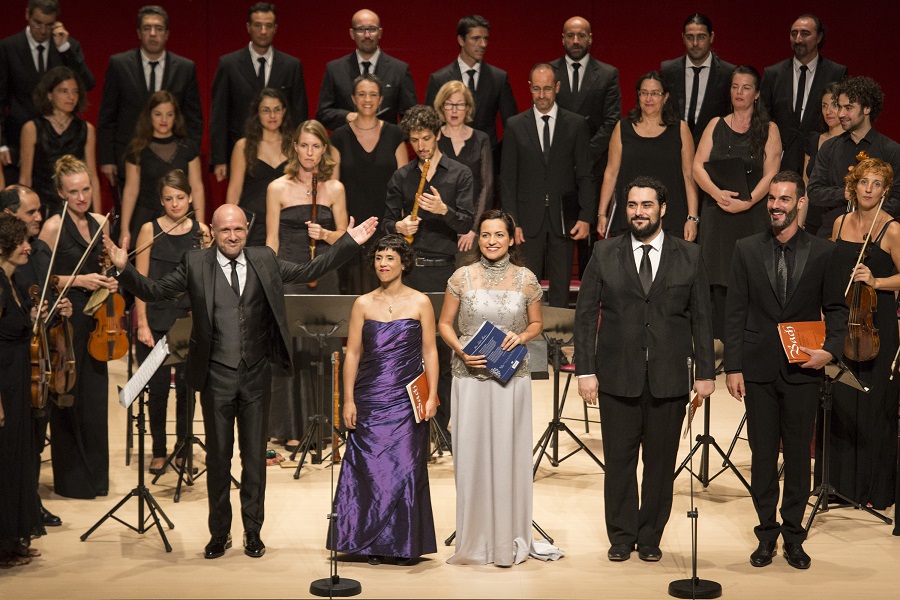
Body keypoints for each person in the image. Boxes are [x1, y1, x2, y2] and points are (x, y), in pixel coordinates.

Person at [106, 203, 378, 560]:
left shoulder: (264, 258)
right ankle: (219, 534)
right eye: (224, 231)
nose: (232, 236)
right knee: (219, 461)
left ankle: (252, 531)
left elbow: (311, 268)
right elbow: (156, 291)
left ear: (245, 230)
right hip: (216, 375)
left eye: (238, 230)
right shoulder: (195, 263)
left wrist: (348, 243)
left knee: (253, 461)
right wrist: (124, 269)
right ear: (213, 232)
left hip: (255, 375)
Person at [575, 176, 715, 563]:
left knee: (659, 466)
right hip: (617, 377)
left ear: (663, 208)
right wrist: (584, 369)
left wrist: (706, 373)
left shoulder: (689, 254)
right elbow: (586, 316)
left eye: (647, 205)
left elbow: (702, 318)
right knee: (619, 464)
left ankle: (650, 536)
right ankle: (621, 536)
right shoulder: (604, 253)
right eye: (633, 205)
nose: (639, 212)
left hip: (669, 379)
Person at [725, 170, 847, 570]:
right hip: (758, 370)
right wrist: (734, 366)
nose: (776, 206)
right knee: (762, 457)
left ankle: (794, 536)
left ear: (800, 203)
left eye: (784, 199)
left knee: (797, 457)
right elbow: (735, 311)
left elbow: (836, 310)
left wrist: (829, 351)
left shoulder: (824, 252)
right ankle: (766, 535)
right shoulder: (745, 248)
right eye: (771, 199)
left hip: (803, 370)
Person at [439, 209, 560, 566]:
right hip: (469, 376)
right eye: (486, 235)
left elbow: (537, 322)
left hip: (511, 378)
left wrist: (521, 336)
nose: (492, 241)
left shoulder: (526, 279)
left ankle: (509, 537)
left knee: (510, 453)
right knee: (471, 453)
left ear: (511, 239)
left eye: (499, 235)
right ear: (479, 240)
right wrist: (461, 351)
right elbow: (445, 323)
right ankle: (475, 538)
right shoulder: (461, 277)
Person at [328, 234, 438, 565]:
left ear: (404, 263)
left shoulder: (421, 302)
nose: (383, 264)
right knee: (366, 468)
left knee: (405, 467)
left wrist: (432, 395)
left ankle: (401, 544)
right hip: (370, 396)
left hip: (406, 400)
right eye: (378, 258)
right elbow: (353, 354)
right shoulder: (362, 303)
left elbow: (430, 351)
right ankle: (362, 543)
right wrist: (347, 400)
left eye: (390, 258)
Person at [383, 104, 474, 437]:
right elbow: (385, 224)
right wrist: (398, 223)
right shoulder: (402, 176)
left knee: (444, 351)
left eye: (426, 138)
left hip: (443, 273)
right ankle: (409, 422)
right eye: (415, 140)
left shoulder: (459, 173)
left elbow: (466, 221)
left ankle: (441, 424)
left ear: (438, 135)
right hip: (410, 274)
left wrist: (443, 210)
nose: (421, 145)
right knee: (408, 351)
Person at [38, 155, 117, 500]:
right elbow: (41, 278)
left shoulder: (101, 221)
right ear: (61, 193)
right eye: (74, 192)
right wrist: (79, 279)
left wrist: (110, 280)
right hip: (67, 320)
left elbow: (106, 267)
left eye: (86, 189)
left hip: (97, 320)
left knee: (96, 399)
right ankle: (72, 481)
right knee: (68, 396)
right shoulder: (54, 226)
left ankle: (97, 479)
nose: (82, 197)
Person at [265, 119, 347, 450]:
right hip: (289, 273)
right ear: (294, 147)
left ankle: (328, 427)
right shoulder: (277, 188)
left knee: (326, 347)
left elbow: (345, 237)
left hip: (324, 273)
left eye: (316, 146)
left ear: (324, 150)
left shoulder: (335, 189)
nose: (309, 152)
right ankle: (291, 428)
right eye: (304, 145)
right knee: (291, 349)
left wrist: (325, 235)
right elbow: (272, 239)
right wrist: (267, 280)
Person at [823, 157, 898, 510]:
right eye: (864, 182)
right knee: (841, 402)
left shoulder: (892, 229)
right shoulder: (839, 223)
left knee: (872, 405)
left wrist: (877, 281)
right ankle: (839, 487)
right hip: (842, 321)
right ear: (854, 185)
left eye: (876, 185)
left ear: (885, 190)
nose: (869, 190)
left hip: (875, 325)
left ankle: (871, 491)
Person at [0, 214, 70, 567]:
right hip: (4, 387)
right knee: (5, 463)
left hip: (17, 383)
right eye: (21, 243)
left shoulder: (12, 282)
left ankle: (12, 541)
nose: (29, 247)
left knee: (17, 461)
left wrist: (35, 317)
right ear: (2, 249)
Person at [693, 65, 781, 340]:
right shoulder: (715, 124)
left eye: (745, 87)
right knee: (716, 282)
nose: (739, 92)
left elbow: (772, 174)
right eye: (735, 87)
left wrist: (748, 201)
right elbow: (697, 167)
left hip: (751, 214)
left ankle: (746, 344)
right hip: (717, 213)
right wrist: (717, 193)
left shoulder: (769, 128)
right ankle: (718, 346)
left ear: (756, 94)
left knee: (748, 280)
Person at [133, 169, 208, 475]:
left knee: (188, 390)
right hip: (154, 320)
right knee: (159, 388)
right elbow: (139, 281)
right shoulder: (149, 230)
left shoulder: (201, 231)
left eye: (180, 198)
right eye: (169, 199)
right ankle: (159, 450)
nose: (175, 204)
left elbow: (207, 279)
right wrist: (141, 323)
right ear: (161, 201)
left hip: (188, 321)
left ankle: (183, 448)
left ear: (189, 197)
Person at [500, 63, 593, 308]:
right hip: (527, 220)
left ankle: (559, 339)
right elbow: (507, 179)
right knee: (525, 285)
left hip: (564, 219)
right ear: (529, 88)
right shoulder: (515, 125)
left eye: (548, 89)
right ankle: (526, 339)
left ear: (558, 88)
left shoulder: (575, 124)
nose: (542, 95)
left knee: (562, 285)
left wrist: (585, 216)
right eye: (537, 89)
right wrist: (512, 222)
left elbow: (585, 174)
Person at [97, 5, 203, 191]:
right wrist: (107, 159)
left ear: (167, 33)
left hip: (173, 161)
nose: (153, 34)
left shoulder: (185, 68)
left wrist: (189, 156)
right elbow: (108, 116)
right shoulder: (119, 65)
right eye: (147, 28)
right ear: (139, 32)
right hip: (130, 160)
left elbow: (194, 119)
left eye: (159, 29)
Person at [551, 16, 621, 278]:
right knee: (558, 237)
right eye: (570, 35)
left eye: (581, 35)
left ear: (590, 38)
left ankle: (590, 303)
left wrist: (583, 156)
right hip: (557, 168)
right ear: (563, 39)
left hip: (593, 166)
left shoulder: (607, 73)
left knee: (590, 241)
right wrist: (565, 158)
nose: (576, 40)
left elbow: (612, 120)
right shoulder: (550, 72)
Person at [210, 2, 307, 183]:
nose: (263, 31)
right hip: (241, 152)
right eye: (258, 25)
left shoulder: (291, 66)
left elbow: (299, 113)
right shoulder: (229, 64)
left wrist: (300, 154)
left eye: (268, 26)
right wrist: (219, 158)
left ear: (275, 28)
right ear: (248, 27)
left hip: (282, 154)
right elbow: (219, 113)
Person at [597, 72, 699, 241]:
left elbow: (689, 176)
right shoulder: (622, 128)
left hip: (671, 219)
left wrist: (692, 218)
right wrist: (602, 213)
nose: (648, 98)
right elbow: (611, 173)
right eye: (644, 93)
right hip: (629, 219)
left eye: (655, 93)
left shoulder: (680, 129)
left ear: (665, 97)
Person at [0, 0, 94, 183]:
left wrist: (64, 49)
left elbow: (87, 84)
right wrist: (1, 143)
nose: (43, 30)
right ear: (27, 15)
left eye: (49, 25)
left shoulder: (66, 46)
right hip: (18, 140)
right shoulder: (8, 47)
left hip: (60, 142)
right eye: (38, 23)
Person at [330, 74, 408, 294]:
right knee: (353, 291)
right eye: (362, 94)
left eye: (373, 94)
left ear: (381, 99)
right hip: (352, 225)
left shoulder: (394, 134)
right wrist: (340, 227)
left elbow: (405, 184)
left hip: (387, 224)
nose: (367, 99)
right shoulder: (338, 137)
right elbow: (333, 185)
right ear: (353, 98)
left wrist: (400, 224)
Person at [808, 77, 900, 236]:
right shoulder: (829, 147)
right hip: (831, 235)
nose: (841, 114)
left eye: (848, 107)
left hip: (875, 236)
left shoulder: (891, 149)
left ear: (867, 108)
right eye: (840, 107)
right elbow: (814, 192)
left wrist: (866, 213)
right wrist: (844, 194)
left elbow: (897, 199)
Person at [760, 14, 848, 174]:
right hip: (780, 162)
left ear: (819, 37)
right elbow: (763, 118)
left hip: (821, 161)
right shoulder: (773, 74)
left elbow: (843, 116)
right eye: (794, 33)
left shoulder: (837, 73)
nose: (798, 39)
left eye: (805, 33)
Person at [118, 91, 205, 251]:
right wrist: (125, 229)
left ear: (176, 117)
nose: (164, 120)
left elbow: (197, 187)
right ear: (149, 116)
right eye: (158, 114)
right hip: (147, 218)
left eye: (169, 114)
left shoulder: (187, 146)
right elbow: (130, 190)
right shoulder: (138, 148)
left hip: (181, 217)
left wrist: (200, 226)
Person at [425, 15, 518, 157]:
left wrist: (497, 156)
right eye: (476, 39)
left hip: (486, 160)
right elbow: (430, 125)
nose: (483, 44)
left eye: (485, 39)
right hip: (448, 160)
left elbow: (512, 125)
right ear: (461, 40)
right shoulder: (439, 79)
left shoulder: (499, 78)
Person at [18, 66, 100, 216]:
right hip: (43, 206)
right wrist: (25, 215)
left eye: (75, 92)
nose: (71, 97)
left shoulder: (86, 129)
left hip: (76, 206)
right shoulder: (32, 128)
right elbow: (25, 177)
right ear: (50, 95)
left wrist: (98, 217)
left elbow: (92, 176)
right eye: (64, 91)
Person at [316, 9, 417, 130]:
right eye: (361, 29)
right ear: (352, 33)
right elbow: (323, 114)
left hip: (386, 147)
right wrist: (347, 116)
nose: (367, 35)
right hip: (345, 145)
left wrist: (392, 137)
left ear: (380, 32)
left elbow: (412, 117)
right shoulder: (335, 69)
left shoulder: (399, 70)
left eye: (372, 29)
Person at [225, 87, 292, 247]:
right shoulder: (244, 146)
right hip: (254, 223)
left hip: (286, 222)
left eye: (277, 109)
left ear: (284, 112)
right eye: (266, 110)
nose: (272, 115)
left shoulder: (293, 145)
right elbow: (234, 190)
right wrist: (229, 225)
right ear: (257, 113)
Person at [433, 80, 492, 258]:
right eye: (449, 104)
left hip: (472, 228)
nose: (454, 110)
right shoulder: (433, 138)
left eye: (459, 104)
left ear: (468, 107)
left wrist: (473, 228)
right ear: (441, 107)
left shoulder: (481, 139)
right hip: (438, 227)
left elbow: (487, 186)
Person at [660, 13, 735, 147]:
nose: (695, 43)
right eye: (690, 37)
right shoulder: (668, 70)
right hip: (673, 149)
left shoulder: (727, 73)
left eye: (701, 37)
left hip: (712, 151)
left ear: (711, 37)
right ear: (683, 38)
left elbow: (731, 116)